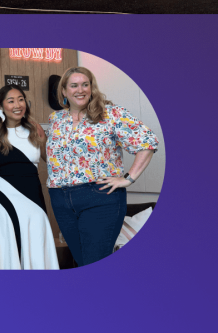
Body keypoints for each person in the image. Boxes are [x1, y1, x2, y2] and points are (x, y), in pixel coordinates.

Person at [47, 67, 157, 267]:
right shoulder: (56, 120)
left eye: (85, 84)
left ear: (92, 87)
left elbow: (147, 142)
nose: (80, 90)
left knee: (95, 262)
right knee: (81, 262)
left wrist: (128, 178)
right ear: (64, 91)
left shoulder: (111, 113)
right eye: (74, 85)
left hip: (99, 197)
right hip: (61, 200)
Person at [0, 85, 58, 270]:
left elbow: (54, 162)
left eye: (21, 99)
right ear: (0, 107)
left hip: (33, 199)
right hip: (4, 200)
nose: (18, 104)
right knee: (8, 250)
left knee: (36, 244)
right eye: (11, 101)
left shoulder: (35, 130)